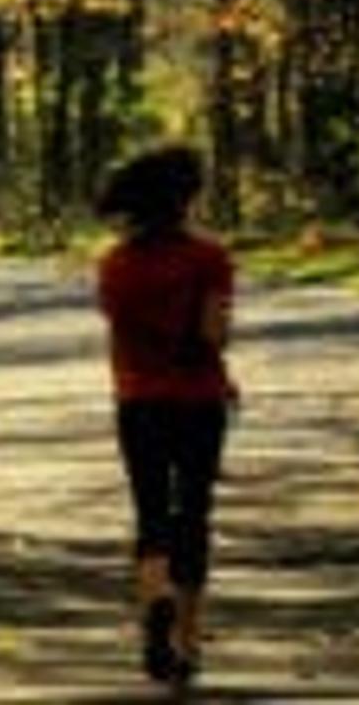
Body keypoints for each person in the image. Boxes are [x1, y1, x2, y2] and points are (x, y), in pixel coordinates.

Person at [93, 143, 235, 685]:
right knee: (193, 513)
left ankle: (155, 600)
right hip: (199, 402)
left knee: (150, 512)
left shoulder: (115, 264)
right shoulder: (209, 258)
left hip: (138, 403)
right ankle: (188, 640)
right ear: (186, 199)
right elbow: (213, 335)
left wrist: (129, 388)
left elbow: (118, 339)